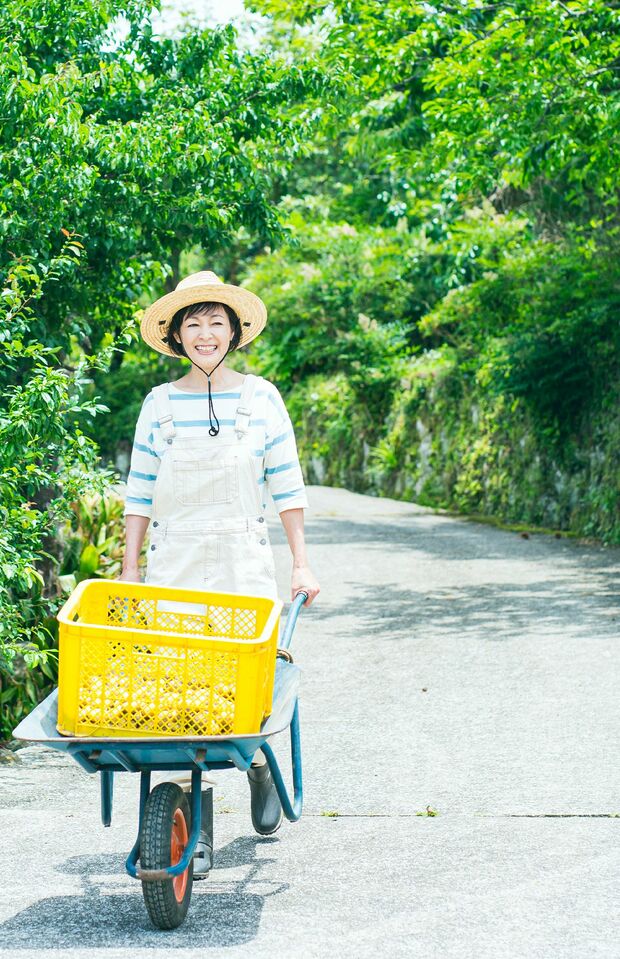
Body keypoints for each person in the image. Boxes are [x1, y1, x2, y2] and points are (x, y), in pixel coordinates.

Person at [119, 270, 320, 878]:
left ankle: (258, 767)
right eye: (193, 324)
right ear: (177, 336)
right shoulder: (159, 403)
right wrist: (129, 567)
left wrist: (301, 561)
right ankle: (195, 827)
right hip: (175, 557)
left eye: (216, 323)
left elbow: (286, 484)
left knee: (243, 684)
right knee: (180, 690)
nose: (205, 334)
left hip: (242, 556)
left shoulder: (261, 398)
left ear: (234, 332)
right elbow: (140, 491)